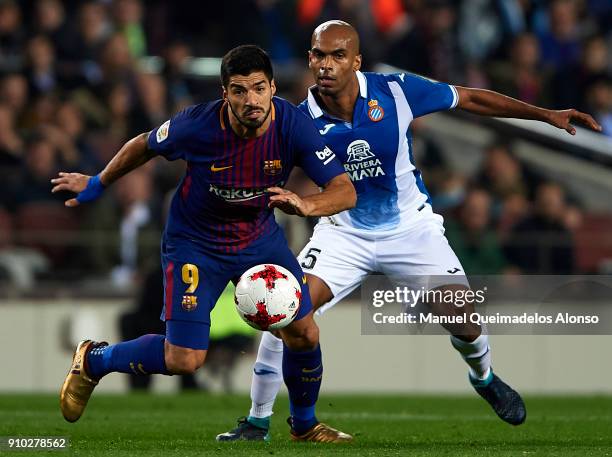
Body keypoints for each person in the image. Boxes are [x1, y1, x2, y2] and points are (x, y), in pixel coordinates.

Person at [217, 20, 602, 441]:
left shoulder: (395, 91)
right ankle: (257, 421)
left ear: (356, 61)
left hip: (411, 229)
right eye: (318, 55)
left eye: (337, 55)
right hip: (343, 233)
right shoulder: (296, 117)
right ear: (310, 59)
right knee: (287, 310)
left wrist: (544, 114)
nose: (326, 65)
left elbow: (470, 98)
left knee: (464, 320)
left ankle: (484, 376)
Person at [52, 44, 357, 443]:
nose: (251, 100)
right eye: (239, 90)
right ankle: (94, 360)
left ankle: (304, 426)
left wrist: (306, 204)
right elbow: (143, 145)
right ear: (224, 94)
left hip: (258, 240)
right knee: (184, 360)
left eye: (259, 88)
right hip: (195, 243)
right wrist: (97, 182)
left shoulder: (293, 125)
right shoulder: (196, 126)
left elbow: (344, 190)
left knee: (304, 332)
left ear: (272, 87)